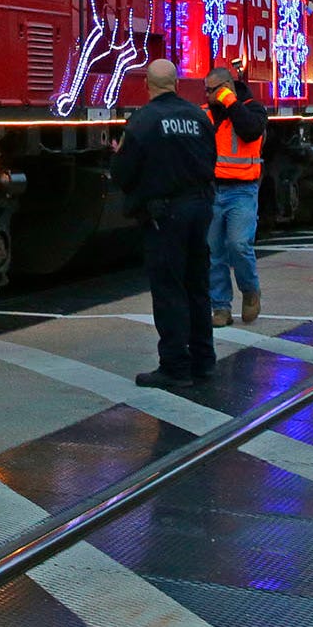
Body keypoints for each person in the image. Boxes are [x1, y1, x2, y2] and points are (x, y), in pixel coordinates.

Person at [111, 59, 217, 389]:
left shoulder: (142, 122)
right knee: (197, 285)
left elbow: (123, 174)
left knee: (169, 288)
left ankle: (175, 366)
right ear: (176, 82)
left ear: (148, 85)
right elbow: (211, 158)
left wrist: (118, 156)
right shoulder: (199, 117)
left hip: (165, 215)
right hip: (200, 208)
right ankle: (203, 360)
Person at [202, 63, 267, 327]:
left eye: (211, 90)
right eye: (205, 90)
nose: (206, 96)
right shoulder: (206, 114)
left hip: (242, 190)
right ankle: (221, 307)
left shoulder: (252, 109)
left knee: (239, 245)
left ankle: (250, 291)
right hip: (213, 190)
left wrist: (229, 102)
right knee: (213, 251)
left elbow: (250, 130)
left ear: (226, 88)